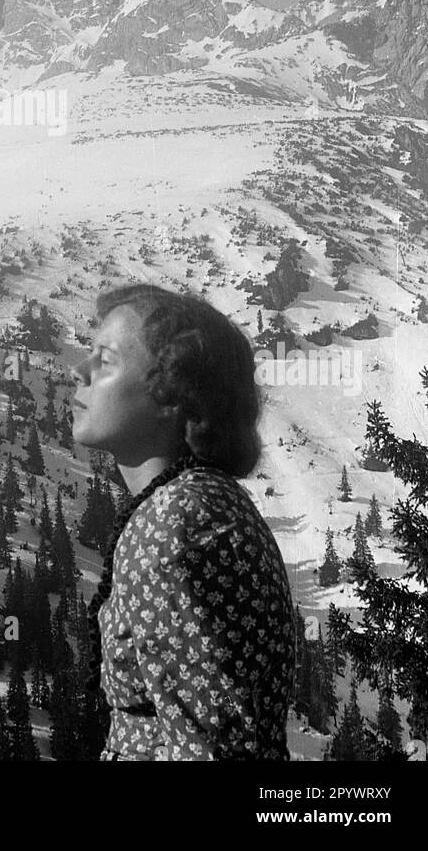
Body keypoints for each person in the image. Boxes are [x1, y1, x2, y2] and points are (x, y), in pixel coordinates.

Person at [71, 283, 295, 761]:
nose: (80, 371)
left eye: (105, 360)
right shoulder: (197, 504)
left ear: (172, 395)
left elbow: (213, 749)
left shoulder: (179, 521)